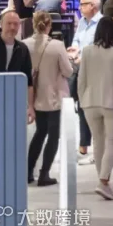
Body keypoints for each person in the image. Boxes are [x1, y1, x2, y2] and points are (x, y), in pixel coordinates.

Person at [78, 17, 113, 200]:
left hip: (90, 102)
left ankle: (103, 182)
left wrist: (82, 100)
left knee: (98, 142)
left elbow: (81, 80)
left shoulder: (87, 51)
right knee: (112, 142)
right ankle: (103, 181)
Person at [23, 11, 74, 186]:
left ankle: (28, 171)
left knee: (40, 132)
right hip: (54, 97)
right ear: (49, 25)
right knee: (53, 135)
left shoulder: (24, 44)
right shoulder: (57, 45)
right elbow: (68, 71)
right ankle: (44, 173)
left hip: (34, 96)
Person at [70, 0, 102, 162]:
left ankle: (98, 148)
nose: (80, 7)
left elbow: (101, 48)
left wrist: (84, 57)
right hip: (79, 69)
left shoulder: (103, 23)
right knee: (81, 106)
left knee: (93, 109)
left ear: (93, 6)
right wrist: (74, 49)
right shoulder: (82, 21)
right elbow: (77, 39)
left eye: (83, 4)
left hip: (96, 71)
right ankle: (83, 144)